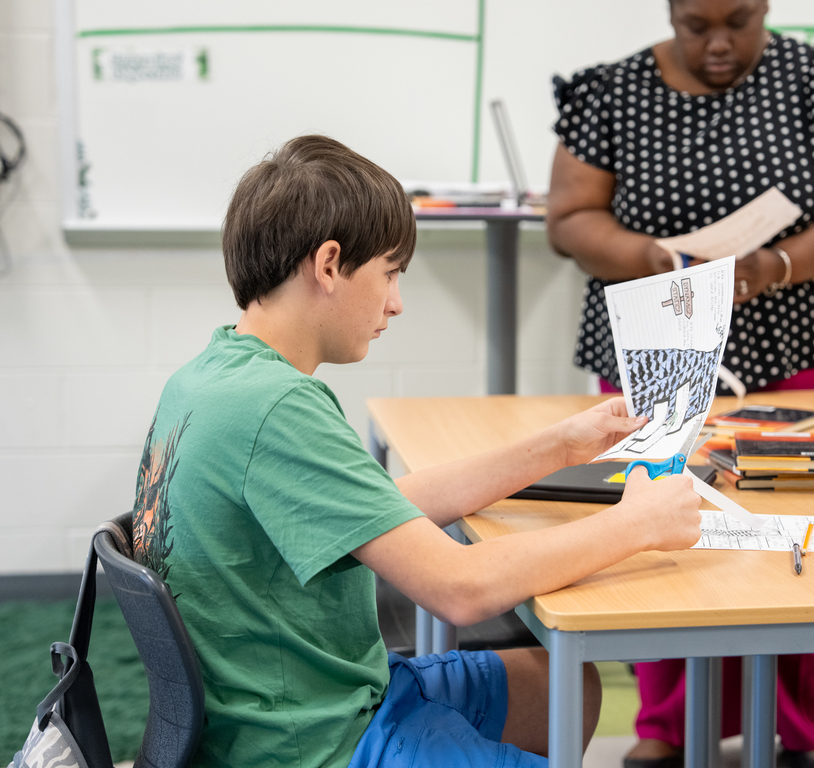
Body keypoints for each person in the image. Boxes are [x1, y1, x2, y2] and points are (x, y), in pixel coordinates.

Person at [129, 134, 704, 768]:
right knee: (557, 679)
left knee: (557, 686)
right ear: (327, 265)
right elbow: (460, 588)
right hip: (310, 743)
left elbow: (378, 509)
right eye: (390, 273)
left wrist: (558, 445)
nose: (396, 303)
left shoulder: (216, 374)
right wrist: (637, 523)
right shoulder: (277, 408)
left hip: (303, 701)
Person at [545, 1, 814, 766]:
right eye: (695, 23)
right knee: (659, 533)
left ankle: (804, 735)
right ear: (670, 11)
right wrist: (654, 261)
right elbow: (570, 216)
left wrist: (777, 265)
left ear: (765, 7)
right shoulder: (611, 90)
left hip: (796, 350)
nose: (717, 43)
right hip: (659, 352)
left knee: (802, 541)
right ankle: (665, 729)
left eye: (737, 21)